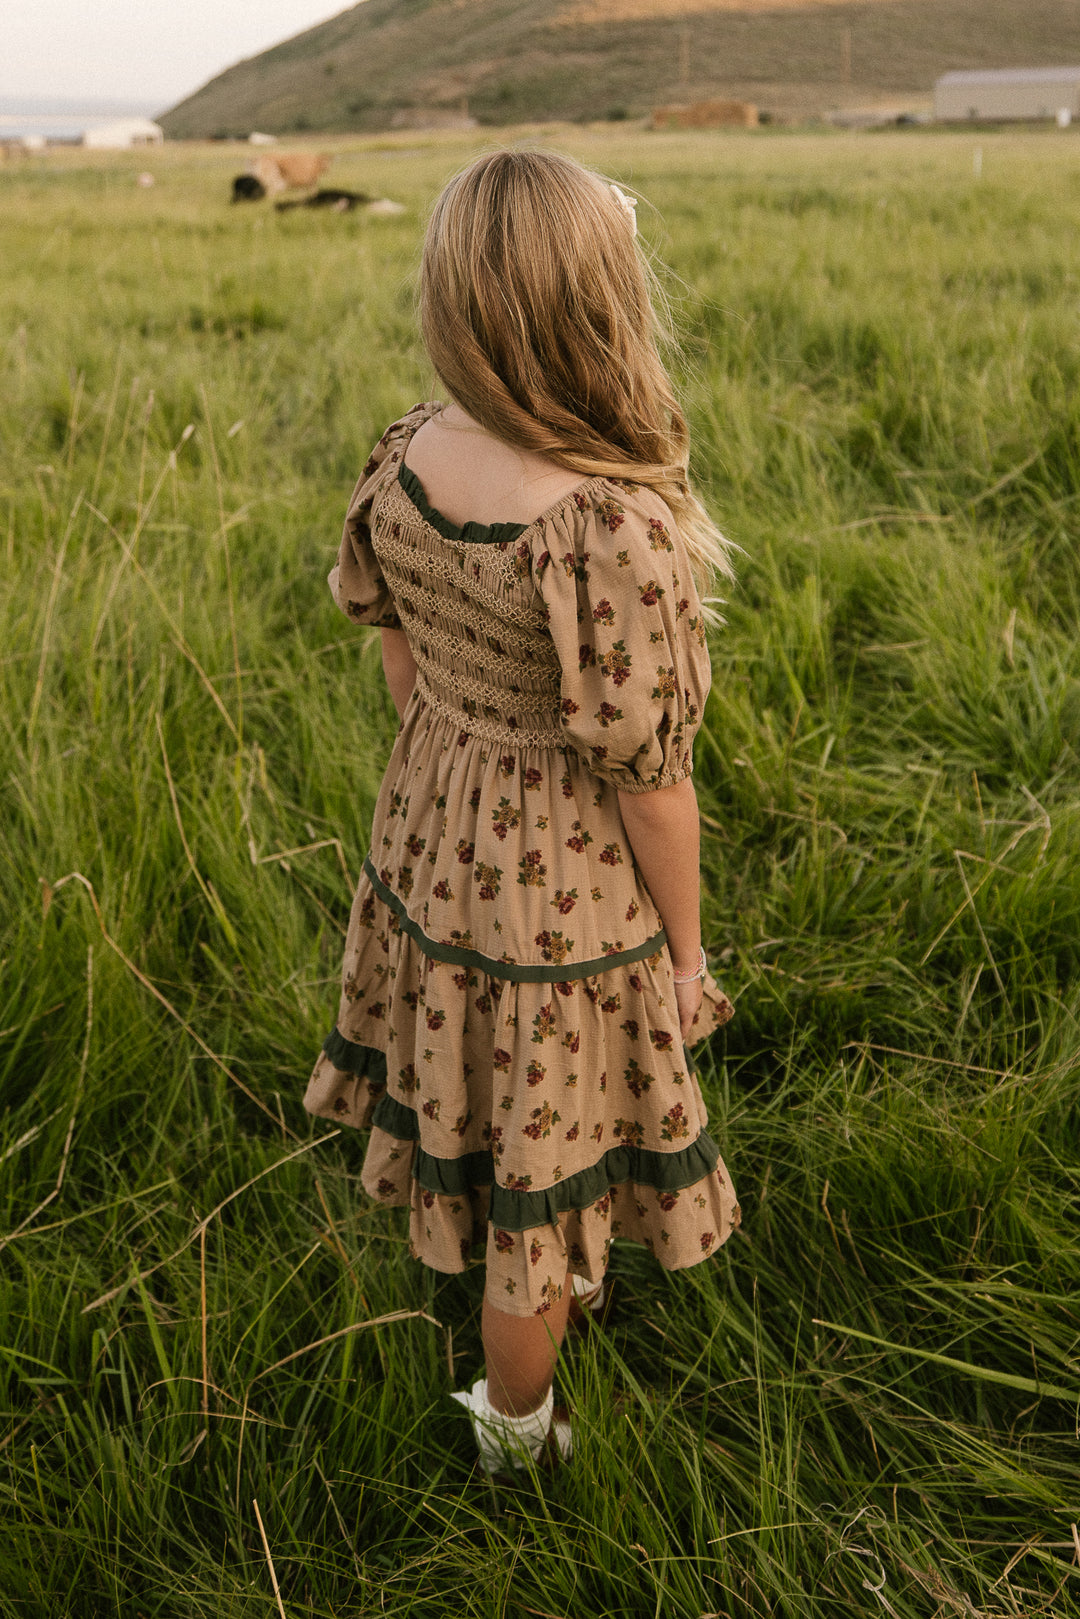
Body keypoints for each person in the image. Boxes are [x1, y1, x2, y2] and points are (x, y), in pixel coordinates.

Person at [304, 148, 740, 1476]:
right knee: (537, 1184)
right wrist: (682, 956)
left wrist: (459, 776)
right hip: (564, 901)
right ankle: (518, 1438)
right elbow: (652, 783)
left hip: (432, 831)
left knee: (473, 1079)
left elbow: (396, 657)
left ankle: (503, 1279)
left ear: (455, 304)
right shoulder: (609, 526)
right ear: (606, 307)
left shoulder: (411, 456)